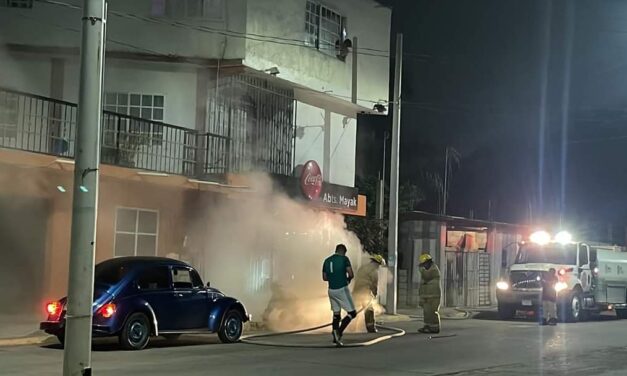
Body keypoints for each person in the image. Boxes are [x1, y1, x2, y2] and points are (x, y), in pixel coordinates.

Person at [322, 244, 357, 346]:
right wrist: (347, 279)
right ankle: (339, 332)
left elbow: (324, 277)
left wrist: (333, 278)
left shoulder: (327, 260)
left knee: (336, 314)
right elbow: (351, 274)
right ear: (344, 252)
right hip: (342, 288)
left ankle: (335, 338)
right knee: (352, 313)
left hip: (331, 290)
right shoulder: (344, 259)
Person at [353, 254, 385, 333]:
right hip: (365, 292)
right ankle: (371, 328)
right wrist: (374, 295)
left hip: (356, 291)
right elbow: (374, 284)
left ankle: (352, 327)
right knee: (369, 310)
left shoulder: (363, 267)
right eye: (379, 265)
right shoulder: (374, 271)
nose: (379, 267)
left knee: (354, 311)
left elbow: (356, 279)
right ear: (377, 263)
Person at [417, 253, 441, 334]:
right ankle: (427, 326)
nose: (423, 266)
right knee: (427, 312)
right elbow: (423, 285)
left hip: (434, 296)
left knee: (433, 312)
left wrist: (422, 270)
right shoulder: (426, 270)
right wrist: (421, 297)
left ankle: (435, 327)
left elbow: (427, 276)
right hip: (426, 296)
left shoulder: (434, 269)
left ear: (428, 262)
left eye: (424, 264)